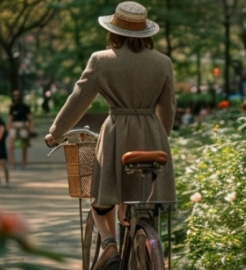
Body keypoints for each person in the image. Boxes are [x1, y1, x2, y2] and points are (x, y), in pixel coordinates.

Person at [44, 2, 176, 269]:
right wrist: (162, 137)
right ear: (146, 33)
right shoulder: (163, 62)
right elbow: (169, 106)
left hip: (117, 134)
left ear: (113, 32)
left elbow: (79, 100)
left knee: (102, 197)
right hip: (153, 133)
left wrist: (56, 132)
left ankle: (109, 245)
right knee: (142, 197)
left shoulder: (101, 60)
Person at [7, 90, 34, 169]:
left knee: (24, 144)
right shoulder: (12, 107)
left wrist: (31, 128)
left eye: (17, 95)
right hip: (14, 126)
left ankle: (24, 162)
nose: (16, 97)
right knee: (11, 144)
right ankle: (12, 163)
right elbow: (10, 118)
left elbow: (29, 117)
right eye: (14, 95)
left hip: (23, 126)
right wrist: (9, 127)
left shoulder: (25, 106)